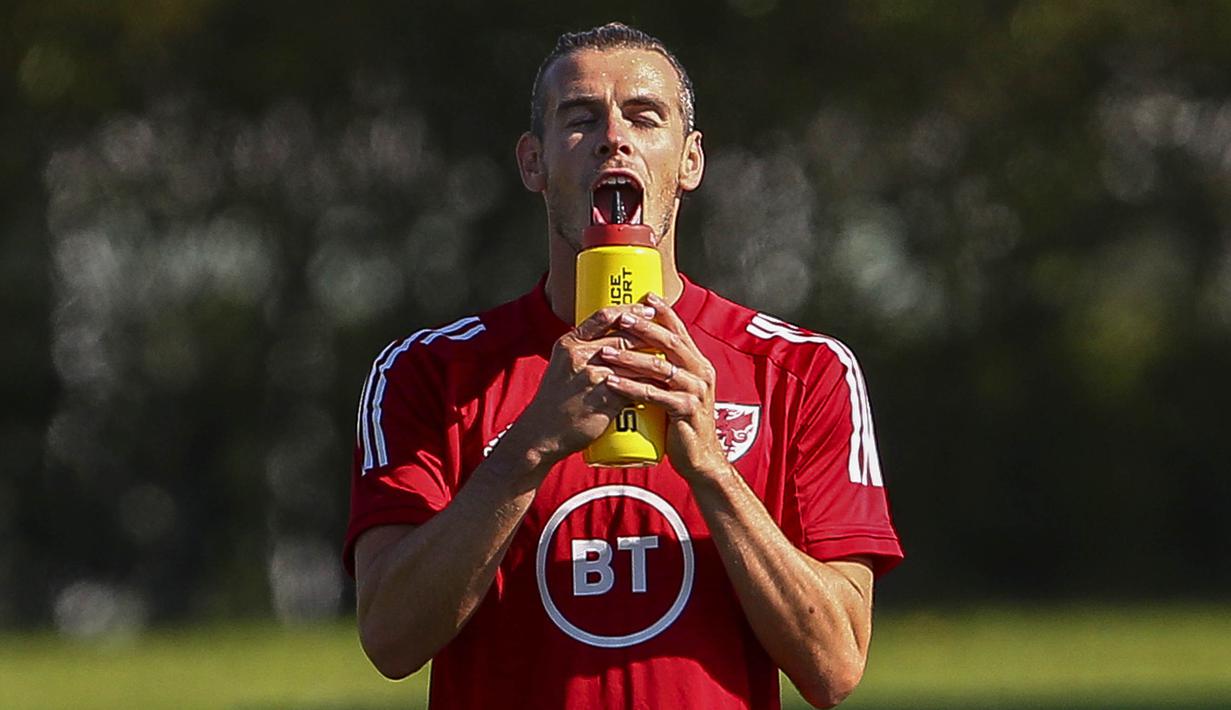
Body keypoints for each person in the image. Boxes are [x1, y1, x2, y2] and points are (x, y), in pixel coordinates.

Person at [344, 22, 902, 710]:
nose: (614, 136)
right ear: (532, 163)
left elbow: (834, 666)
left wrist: (711, 469)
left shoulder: (801, 369)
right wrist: (528, 447)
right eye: (579, 119)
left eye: (644, 115)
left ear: (690, 161)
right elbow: (391, 640)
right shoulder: (428, 371)